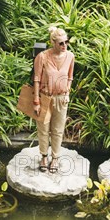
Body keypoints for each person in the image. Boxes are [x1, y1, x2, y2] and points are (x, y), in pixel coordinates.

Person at [33, 26, 75, 173]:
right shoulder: (42, 57)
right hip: (45, 97)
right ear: (53, 42)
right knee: (43, 129)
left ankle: (55, 157)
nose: (64, 46)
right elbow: (37, 79)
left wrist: (68, 93)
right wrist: (36, 101)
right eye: (61, 43)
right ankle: (44, 156)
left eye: (66, 42)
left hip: (61, 98)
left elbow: (70, 77)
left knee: (58, 129)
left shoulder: (70, 56)